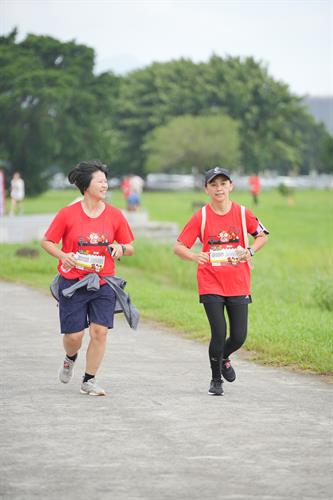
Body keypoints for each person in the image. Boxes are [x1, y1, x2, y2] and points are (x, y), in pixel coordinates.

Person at [41, 160, 135, 396]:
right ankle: (70, 357)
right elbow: (47, 241)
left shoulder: (115, 215)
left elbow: (130, 246)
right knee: (74, 336)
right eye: (100, 181)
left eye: (106, 181)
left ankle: (89, 380)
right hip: (73, 282)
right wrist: (63, 255)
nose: (105, 185)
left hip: (103, 281)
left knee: (99, 331)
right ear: (86, 185)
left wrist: (121, 249)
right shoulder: (67, 214)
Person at [174, 166, 269, 396]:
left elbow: (262, 235)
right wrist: (195, 256)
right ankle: (216, 379)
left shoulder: (243, 212)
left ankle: (225, 356)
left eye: (223, 184)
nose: (219, 188)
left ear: (231, 186)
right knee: (218, 332)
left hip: (238, 283)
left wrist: (251, 251)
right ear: (206, 188)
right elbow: (178, 247)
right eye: (214, 184)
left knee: (238, 336)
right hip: (210, 282)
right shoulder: (202, 216)